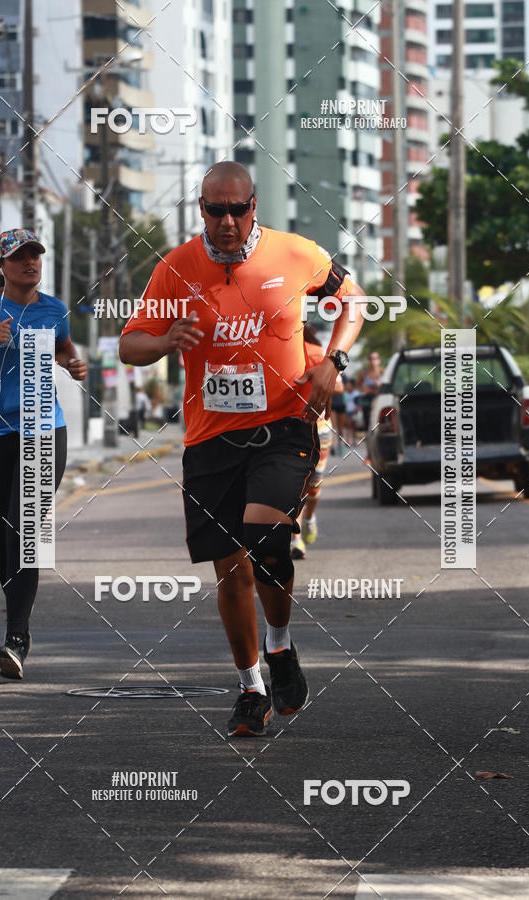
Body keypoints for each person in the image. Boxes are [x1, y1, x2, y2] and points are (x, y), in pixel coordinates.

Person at [119, 162, 364, 737]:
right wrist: (163, 340)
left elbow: (353, 300)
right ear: (200, 209)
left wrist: (332, 361)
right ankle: (251, 685)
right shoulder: (176, 268)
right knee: (230, 570)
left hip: (283, 426)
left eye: (238, 209)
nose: (227, 222)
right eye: (214, 210)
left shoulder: (296, 254)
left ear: (255, 206)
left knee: (268, 538)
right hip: (211, 438)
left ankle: (279, 645)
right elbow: (130, 344)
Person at [0, 228, 87, 679]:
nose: (30, 262)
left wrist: (72, 362)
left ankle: (15, 639)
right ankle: (17, 628)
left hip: (43, 431)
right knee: (1, 540)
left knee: (27, 533)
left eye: (35, 255)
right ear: (0, 267)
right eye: (19, 257)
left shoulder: (53, 310)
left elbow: (65, 348)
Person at [291, 323, 341, 560]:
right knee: (295, 486)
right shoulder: (270, 351)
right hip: (288, 428)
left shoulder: (314, 351)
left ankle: (309, 517)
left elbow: (338, 385)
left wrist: (322, 380)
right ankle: (295, 538)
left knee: (314, 487)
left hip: (318, 427)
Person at [356, 350, 383, 428]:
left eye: (375, 358)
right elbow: (357, 386)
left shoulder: (383, 372)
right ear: (368, 361)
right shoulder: (364, 374)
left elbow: (388, 387)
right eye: (371, 358)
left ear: (379, 360)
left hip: (379, 400)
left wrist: (380, 386)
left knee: (380, 423)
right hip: (367, 402)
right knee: (368, 424)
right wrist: (363, 389)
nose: (373, 361)